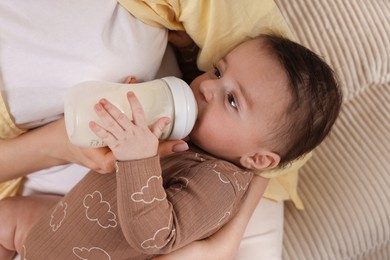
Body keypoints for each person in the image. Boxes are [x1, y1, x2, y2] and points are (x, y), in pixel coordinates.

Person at [0, 33, 342, 259]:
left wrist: (138, 158)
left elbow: (157, 237)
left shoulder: (219, 182)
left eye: (233, 101)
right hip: (57, 226)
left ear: (257, 158)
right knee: (7, 217)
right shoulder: (193, 128)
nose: (208, 87)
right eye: (219, 72)